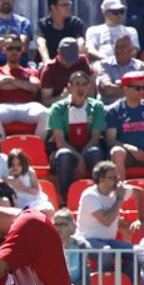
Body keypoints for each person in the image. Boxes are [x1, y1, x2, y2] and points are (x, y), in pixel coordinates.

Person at [49, 70, 106, 201]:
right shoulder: (57, 108)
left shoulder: (97, 107)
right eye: (76, 84)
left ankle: (99, 196)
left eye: (84, 84)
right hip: (66, 149)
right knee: (64, 154)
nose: (80, 88)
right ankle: (65, 197)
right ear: (69, 87)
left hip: (88, 147)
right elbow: (60, 141)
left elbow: (95, 138)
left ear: (89, 87)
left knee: (95, 152)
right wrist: (79, 158)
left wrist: (83, 156)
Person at [77, 161, 140, 276]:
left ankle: (124, 281)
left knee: (139, 253)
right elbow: (106, 221)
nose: (117, 182)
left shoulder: (116, 190)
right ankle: (103, 284)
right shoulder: (90, 196)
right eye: (113, 178)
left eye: (117, 177)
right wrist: (120, 199)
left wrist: (140, 219)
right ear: (101, 179)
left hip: (109, 240)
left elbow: (140, 193)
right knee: (106, 252)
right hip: (87, 240)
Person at [0, 35, 47, 139]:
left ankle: (37, 146)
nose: (14, 51)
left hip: (27, 106)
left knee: (45, 113)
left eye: (17, 48)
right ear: (4, 50)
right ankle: (1, 148)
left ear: (22, 50)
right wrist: (24, 84)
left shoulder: (30, 70)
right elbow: (0, 85)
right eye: (10, 48)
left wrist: (10, 80)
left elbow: (35, 87)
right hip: (4, 107)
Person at [36, 0, 87, 65]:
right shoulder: (42, 24)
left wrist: (80, 58)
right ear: (53, 7)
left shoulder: (75, 23)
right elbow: (41, 43)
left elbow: (80, 42)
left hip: (71, 63)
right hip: (51, 63)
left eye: (69, 4)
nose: (68, 7)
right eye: (64, 5)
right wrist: (46, 60)